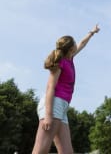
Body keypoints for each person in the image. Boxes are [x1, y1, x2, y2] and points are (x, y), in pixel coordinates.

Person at [32, 24, 100, 154]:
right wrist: (48, 115)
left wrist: (92, 32)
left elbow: (82, 43)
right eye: (74, 43)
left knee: (67, 151)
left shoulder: (70, 58)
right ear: (70, 48)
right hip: (53, 105)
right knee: (41, 149)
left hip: (62, 108)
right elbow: (50, 87)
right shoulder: (60, 62)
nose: (76, 44)